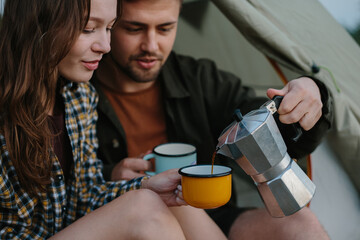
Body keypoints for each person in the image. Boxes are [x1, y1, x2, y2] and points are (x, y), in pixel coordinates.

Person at [92, 0, 333, 239]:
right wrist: (110, 175)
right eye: (134, 29)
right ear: (108, 24)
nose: (151, 45)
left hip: (212, 214)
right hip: (121, 216)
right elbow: (60, 186)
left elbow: (271, 127)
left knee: (301, 224)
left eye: (165, 28)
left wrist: (311, 95)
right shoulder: (77, 92)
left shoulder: (199, 79)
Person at [0, 0, 227, 239]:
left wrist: (145, 185)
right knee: (143, 207)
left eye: (109, 28)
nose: (105, 46)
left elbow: (83, 199)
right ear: (37, 25)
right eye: (88, 29)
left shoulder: (79, 97)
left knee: (172, 195)